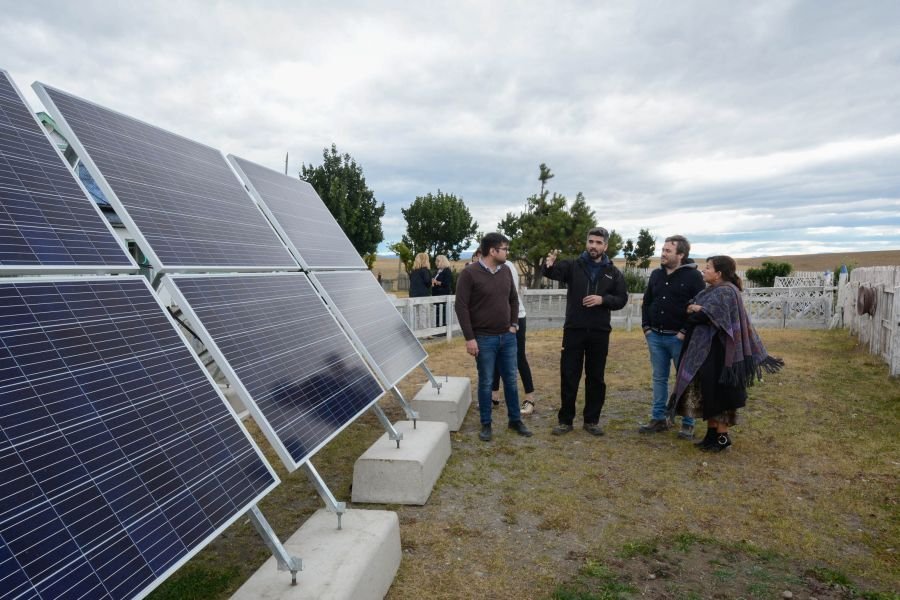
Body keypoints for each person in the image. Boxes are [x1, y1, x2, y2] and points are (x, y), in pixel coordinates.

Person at [668, 255, 784, 452]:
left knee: (721, 396)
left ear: (719, 273)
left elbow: (706, 316)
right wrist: (694, 309)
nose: (704, 270)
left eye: (708, 267)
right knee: (709, 394)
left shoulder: (727, 292)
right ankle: (711, 436)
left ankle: (722, 438)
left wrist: (697, 310)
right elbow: (691, 309)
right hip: (708, 351)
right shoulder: (713, 291)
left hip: (722, 353)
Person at [542, 227, 628, 436]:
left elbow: (621, 299)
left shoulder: (613, 272)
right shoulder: (573, 265)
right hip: (574, 330)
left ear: (605, 246)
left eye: (598, 243)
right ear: (586, 243)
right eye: (591, 241)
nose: (593, 246)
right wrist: (548, 265)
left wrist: (603, 300)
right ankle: (565, 420)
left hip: (599, 331)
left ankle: (591, 420)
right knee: (569, 374)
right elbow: (554, 273)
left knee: (596, 377)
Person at [455, 233, 532, 442]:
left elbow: (513, 300)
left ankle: (515, 420)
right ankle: (486, 424)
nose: (507, 252)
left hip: (507, 337)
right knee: (487, 381)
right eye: (505, 249)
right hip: (483, 339)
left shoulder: (506, 271)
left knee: (510, 380)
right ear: (492, 251)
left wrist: (514, 325)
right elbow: (461, 307)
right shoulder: (469, 274)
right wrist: (470, 338)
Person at [639, 235, 706, 439]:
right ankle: (659, 418)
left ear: (681, 254)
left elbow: (699, 307)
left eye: (668, 250)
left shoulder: (694, 277)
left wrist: (684, 332)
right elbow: (647, 301)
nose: (663, 253)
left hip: (680, 339)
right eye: (663, 249)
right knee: (659, 377)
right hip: (655, 337)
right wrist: (646, 328)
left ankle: (688, 422)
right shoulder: (656, 274)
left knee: (686, 378)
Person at [490, 259, 537, 415]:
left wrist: (513, 322)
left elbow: (510, 295)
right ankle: (494, 395)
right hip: (496, 318)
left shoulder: (506, 266)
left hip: (515, 317)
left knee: (519, 357)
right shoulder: (483, 266)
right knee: (495, 356)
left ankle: (530, 398)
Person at [432, 254, 452, 327]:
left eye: (437, 261)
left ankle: (443, 328)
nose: (435, 262)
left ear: (442, 261)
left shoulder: (447, 270)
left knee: (442, 312)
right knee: (437, 312)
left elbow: (447, 283)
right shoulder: (437, 271)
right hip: (436, 293)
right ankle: (437, 327)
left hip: (443, 294)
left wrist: (437, 282)